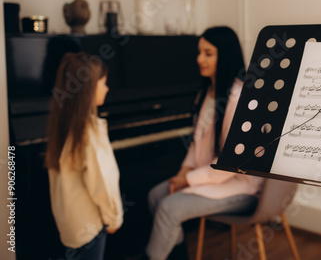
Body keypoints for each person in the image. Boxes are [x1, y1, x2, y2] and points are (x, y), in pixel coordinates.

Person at [145, 26, 264, 260]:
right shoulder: (205, 94)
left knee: (169, 207)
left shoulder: (240, 99)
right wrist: (183, 173)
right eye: (199, 52)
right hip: (210, 178)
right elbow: (195, 144)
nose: (200, 59)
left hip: (241, 186)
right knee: (155, 196)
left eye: (208, 53)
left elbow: (231, 162)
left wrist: (187, 180)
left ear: (225, 55)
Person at [45, 52, 123, 260]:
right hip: (90, 227)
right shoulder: (88, 133)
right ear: (88, 90)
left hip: (70, 226)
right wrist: (113, 218)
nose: (107, 88)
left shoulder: (62, 126)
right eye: (103, 83)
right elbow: (102, 183)